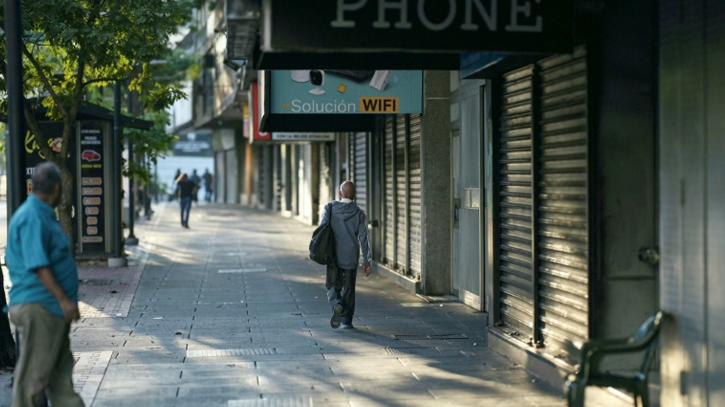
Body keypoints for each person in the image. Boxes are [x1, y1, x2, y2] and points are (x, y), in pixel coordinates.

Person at [6, 161, 85, 407]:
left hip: (50, 309)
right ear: (57, 189)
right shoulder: (32, 217)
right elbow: (38, 264)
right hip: (40, 307)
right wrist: (63, 299)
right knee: (32, 382)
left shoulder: (42, 214)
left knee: (60, 379)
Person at [319, 181, 371, 329]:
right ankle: (347, 321)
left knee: (332, 285)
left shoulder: (329, 208)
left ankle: (337, 304)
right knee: (349, 289)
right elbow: (364, 238)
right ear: (354, 195)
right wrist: (367, 260)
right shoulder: (359, 213)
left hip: (333, 256)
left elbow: (322, 229)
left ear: (340, 193)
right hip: (351, 256)